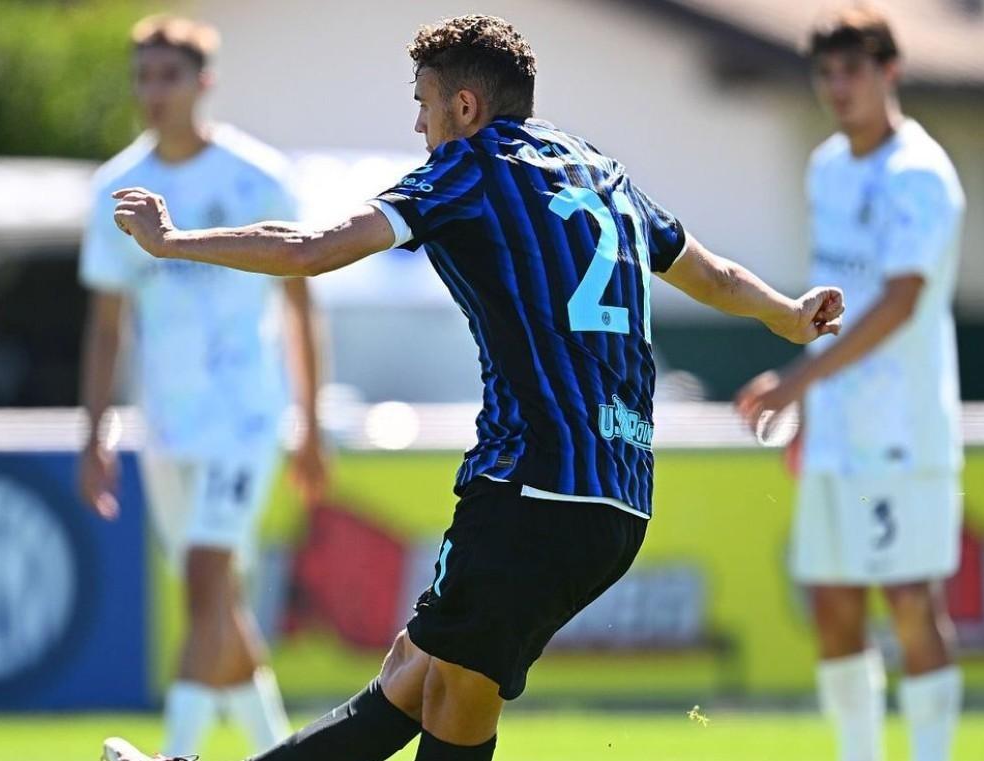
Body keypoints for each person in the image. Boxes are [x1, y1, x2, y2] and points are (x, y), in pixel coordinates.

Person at [102, 15, 842, 761]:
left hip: (533, 486)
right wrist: (784, 313)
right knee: (414, 676)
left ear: (465, 106)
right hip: (619, 496)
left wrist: (174, 241)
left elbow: (310, 248)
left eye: (423, 103)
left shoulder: (471, 168)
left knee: (451, 691)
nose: (417, 124)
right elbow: (712, 274)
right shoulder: (597, 169)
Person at [78, 14, 328, 757]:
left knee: (206, 581)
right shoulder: (115, 188)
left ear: (203, 83)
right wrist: (94, 433)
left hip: (245, 417)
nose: (154, 92)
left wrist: (310, 420)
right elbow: (106, 325)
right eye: (143, 77)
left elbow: (300, 305)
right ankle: (277, 749)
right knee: (219, 603)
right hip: (166, 424)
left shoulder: (259, 177)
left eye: (169, 76)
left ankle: (175, 753)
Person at [735, 6, 965, 761]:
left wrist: (797, 381)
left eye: (853, 69)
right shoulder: (827, 166)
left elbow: (899, 302)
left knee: (909, 602)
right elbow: (837, 302)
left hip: (903, 430)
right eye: (825, 72)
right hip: (836, 430)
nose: (837, 86)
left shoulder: (919, 173)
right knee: (833, 605)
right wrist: (811, 410)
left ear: (888, 72)